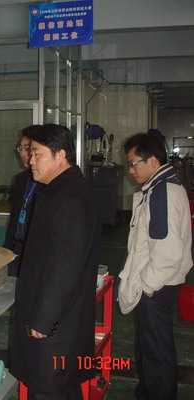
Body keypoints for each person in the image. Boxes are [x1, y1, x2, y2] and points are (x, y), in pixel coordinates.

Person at [10, 124, 100, 400]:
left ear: (60, 155)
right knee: (63, 388)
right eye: (29, 153)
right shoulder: (61, 189)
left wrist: (43, 320)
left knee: (48, 388)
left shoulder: (68, 198)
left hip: (55, 326)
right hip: (59, 320)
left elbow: (64, 266)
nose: (30, 160)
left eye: (37, 153)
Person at [119, 133, 192, 400]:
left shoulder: (162, 192)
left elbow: (167, 253)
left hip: (156, 287)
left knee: (156, 352)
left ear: (152, 161)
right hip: (156, 284)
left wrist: (146, 287)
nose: (131, 170)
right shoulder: (160, 186)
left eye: (133, 163)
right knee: (149, 348)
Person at [3, 125, 42, 277]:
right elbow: (14, 218)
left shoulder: (48, 181)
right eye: (21, 148)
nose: (24, 153)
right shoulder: (20, 180)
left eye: (28, 148)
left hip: (36, 250)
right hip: (16, 248)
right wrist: (6, 250)